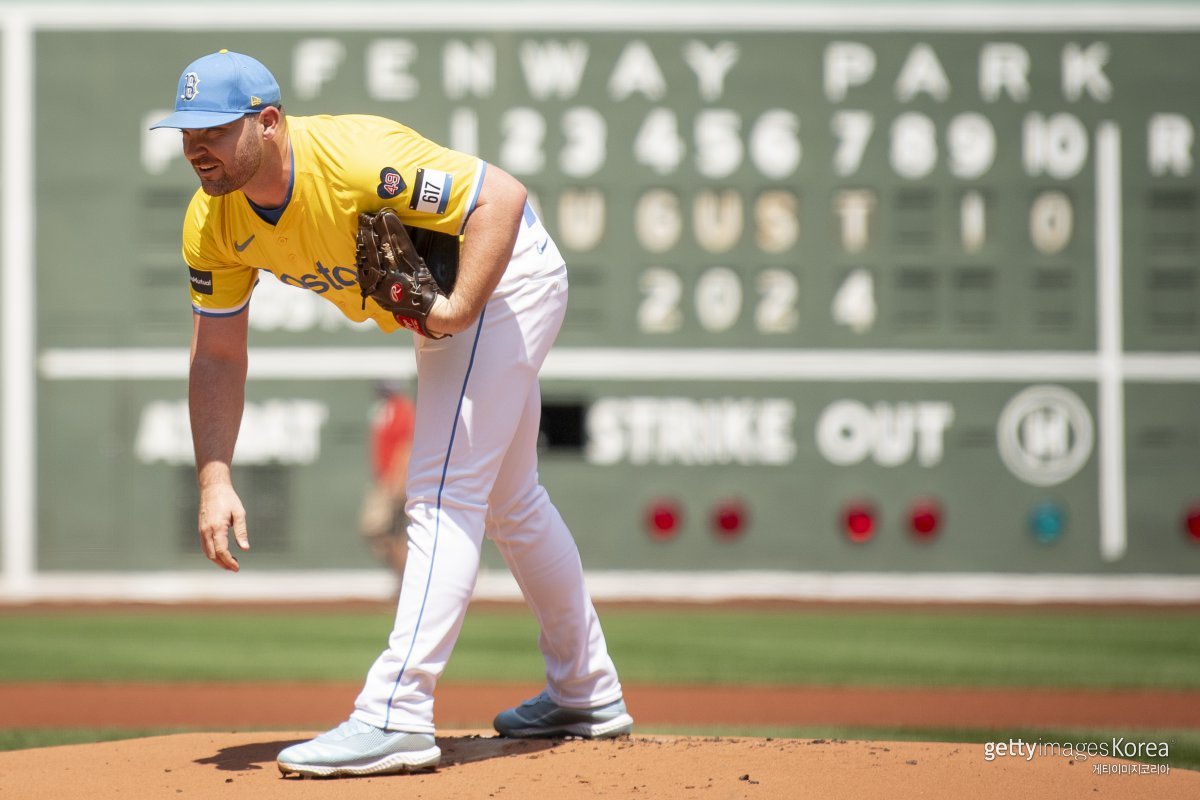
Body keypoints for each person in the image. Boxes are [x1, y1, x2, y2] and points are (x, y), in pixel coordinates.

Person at [151, 49, 632, 778]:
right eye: (187, 132)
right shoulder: (213, 221)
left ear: (269, 123)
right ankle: (586, 691)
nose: (196, 147)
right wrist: (215, 478)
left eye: (213, 130)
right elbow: (217, 356)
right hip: (461, 308)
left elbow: (500, 198)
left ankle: (396, 713)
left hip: (503, 279)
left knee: (440, 493)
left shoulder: (352, 161)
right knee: (510, 499)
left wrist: (457, 309)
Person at [360, 380, 416, 578]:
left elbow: (405, 448)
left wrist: (397, 482)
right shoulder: (385, 410)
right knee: (389, 536)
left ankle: (411, 580)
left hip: (392, 483)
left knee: (380, 530)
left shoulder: (401, 409)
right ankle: (407, 580)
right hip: (384, 481)